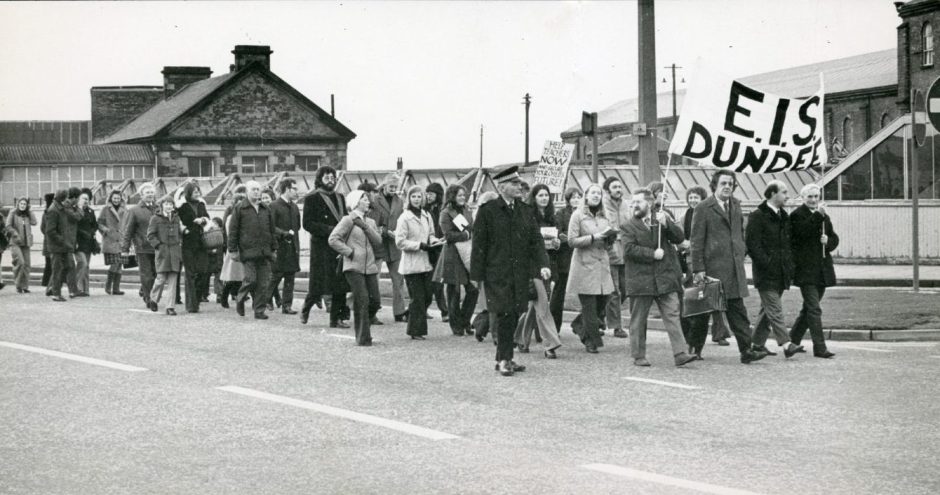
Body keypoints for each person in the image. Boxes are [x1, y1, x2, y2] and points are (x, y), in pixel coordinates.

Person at [471, 166, 550, 376]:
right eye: (514, 184)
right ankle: (505, 359)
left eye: (520, 184)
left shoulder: (525, 211)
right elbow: (479, 244)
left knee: (515, 313)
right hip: (497, 273)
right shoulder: (488, 211)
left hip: (520, 272)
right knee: (505, 314)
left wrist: (543, 264)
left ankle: (505, 357)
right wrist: (476, 276)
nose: (519, 187)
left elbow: (536, 241)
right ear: (501, 186)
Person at [688, 170, 768, 364]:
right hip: (712, 271)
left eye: (730, 184)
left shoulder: (736, 205)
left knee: (738, 312)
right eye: (723, 183)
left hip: (733, 270)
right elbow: (696, 241)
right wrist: (698, 269)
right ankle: (693, 349)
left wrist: (741, 251)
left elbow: (739, 232)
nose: (727, 187)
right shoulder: (703, 208)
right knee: (702, 313)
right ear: (714, 185)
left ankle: (746, 350)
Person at [622, 188, 698, 367]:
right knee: (639, 318)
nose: (634, 206)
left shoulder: (662, 218)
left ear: (648, 203)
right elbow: (628, 249)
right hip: (641, 280)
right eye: (632, 203)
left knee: (672, 314)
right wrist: (651, 253)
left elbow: (679, 238)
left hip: (664, 277)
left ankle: (680, 353)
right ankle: (638, 355)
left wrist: (668, 224)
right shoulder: (628, 226)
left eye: (638, 202)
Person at [747, 180, 803, 358]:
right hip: (766, 273)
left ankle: (756, 344)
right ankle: (786, 344)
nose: (788, 196)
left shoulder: (783, 216)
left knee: (768, 310)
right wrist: (768, 263)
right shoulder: (758, 215)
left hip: (781, 272)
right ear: (772, 194)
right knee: (775, 308)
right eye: (784, 192)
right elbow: (753, 245)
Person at [788, 184, 838, 359]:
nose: (814, 200)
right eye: (810, 197)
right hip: (806, 271)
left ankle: (791, 342)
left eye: (816, 196)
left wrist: (828, 241)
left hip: (822, 270)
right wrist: (818, 215)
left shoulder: (823, 216)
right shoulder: (796, 216)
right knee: (814, 309)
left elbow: (834, 238)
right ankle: (820, 347)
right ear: (803, 198)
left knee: (808, 309)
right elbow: (801, 233)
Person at [514, 184, 563, 358]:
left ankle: (520, 338)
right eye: (540, 195)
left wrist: (556, 243)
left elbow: (555, 241)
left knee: (534, 305)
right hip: (532, 264)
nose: (544, 198)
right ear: (533, 198)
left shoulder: (552, 217)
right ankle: (550, 344)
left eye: (546, 195)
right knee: (542, 304)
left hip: (548, 263)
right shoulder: (527, 216)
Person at [567, 183, 617, 354]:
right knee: (589, 305)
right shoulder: (578, 215)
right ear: (586, 196)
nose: (596, 196)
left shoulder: (606, 216)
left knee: (603, 301)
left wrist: (610, 238)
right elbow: (572, 241)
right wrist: (593, 237)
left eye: (599, 193)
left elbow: (609, 240)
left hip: (602, 264)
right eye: (593, 193)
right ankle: (592, 341)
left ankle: (579, 325)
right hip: (584, 264)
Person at [329, 189, 384, 346]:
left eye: (367, 199)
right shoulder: (348, 220)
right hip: (353, 266)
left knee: (375, 300)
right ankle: (363, 337)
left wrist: (365, 226)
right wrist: (349, 252)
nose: (368, 202)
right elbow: (333, 239)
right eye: (364, 199)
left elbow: (378, 241)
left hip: (370, 266)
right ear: (356, 202)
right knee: (363, 299)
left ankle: (360, 316)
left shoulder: (371, 222)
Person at [680, 186, 730, 346]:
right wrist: (689, 245)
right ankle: (691, 336)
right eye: (691, 197)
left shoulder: (708, 214)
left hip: (709, 261)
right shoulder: (684, 217)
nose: (693, 201)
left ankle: (720, 332)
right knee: (694, 299)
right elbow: (680, 239)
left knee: (715, 296)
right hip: (690, 262)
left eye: (696, 198)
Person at [301, 166, 350, 327]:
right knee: (318, 284)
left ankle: (336, 319)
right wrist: (330, 230)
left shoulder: (340, 197)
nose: (331, 181)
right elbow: (307, 224)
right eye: (327, 178)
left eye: (333, 178)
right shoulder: (312, 197)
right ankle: (306, 308)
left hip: (338, 245)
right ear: (320, 179)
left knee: (339, 283)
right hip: (321, 246)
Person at [432, 184, 479, 337]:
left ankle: (464, 320)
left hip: (466, 251)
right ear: (452, 196)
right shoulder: (445, 213)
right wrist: (465, 235)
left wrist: (468, 234)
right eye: (459, 195)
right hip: (452, 254)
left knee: (472, 289)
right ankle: (456, 325)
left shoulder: (467, 210)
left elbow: (472, 228)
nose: (462, 198)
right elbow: (448, 235)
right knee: (454, 291)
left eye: (463, 195)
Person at [228, 180, 278, 320]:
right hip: (248, 251)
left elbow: (272, 230)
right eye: (253, 189)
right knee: (251, 279)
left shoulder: (265, 208)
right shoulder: (239, 208)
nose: (256, 192)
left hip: (264, 251)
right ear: (247, 192)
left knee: (263, 283)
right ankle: (240, 298)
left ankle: (259, 310)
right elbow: (233, 230)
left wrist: (274, 248)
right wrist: (232, 250)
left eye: (258, 189)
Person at [396, 185, 441, 340]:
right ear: (409, 198)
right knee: (418, 297)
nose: (416, 199)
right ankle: (416, 330)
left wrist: (435, 242)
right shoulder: (404, 217)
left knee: (428, 296)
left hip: (425, 261)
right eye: (413, 196)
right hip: (412, 263)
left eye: (419, 196)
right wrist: (418, 245)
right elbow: (400, 242)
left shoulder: (426, 215)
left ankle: (411, 315)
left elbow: (431, 234)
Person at [369, 172, 409, 322]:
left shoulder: (400, 201)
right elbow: (372, 223)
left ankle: (399, 312)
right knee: (374, 279)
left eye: (395, 186)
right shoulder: (375, 200)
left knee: (398, 280)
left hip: (394, 245)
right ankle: (371, 312)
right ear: (384, 186)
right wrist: (385, 231)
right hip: (379, 243)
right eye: (391, 186)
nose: (393, 189)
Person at [601, 176, 630, 338]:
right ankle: (617, 326)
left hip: (626, 252)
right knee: (614, 291)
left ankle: (601, 316)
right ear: (607, 190)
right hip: (610, 252)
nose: (618, 190)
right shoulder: (603, 205)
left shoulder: (626, 205)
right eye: (614, 187)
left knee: (626, 289)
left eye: (619, 187)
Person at [122, 183, 159, 308]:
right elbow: (128, 231)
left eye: (151, 192)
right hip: (142, 247)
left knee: (156, 274)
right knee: (146, 274)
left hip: (157, 247)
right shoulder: (134, 211)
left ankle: (144, 290)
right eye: (147, 192)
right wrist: (125, 249)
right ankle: (149, 299)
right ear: (141, 195)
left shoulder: (158, 209)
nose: (150, 194)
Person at [176, 183, 211, 313]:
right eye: (194, 191)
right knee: (190, 273)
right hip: (187, 242)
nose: (197, 193)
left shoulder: (201, 204)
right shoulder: (181, 206)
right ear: (188, 192)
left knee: (203, 271)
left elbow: (208, 218)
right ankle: (191, 305)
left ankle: (196, 299)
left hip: (201, 242)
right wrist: (184, 229)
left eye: (198, 191)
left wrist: (202, 220)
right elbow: (176, 221)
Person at [549, 187, 581, 331]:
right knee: (559, 294)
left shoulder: (584, 214)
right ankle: (555, 327)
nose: (576, 199)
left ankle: (585, 324)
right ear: (568, 200)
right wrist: (574, 238)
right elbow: (559, 233)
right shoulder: (561, 214)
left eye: (578, 197)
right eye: (573, 197)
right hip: (565, 259)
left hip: (582, 258)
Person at [269, 178, 302, 315]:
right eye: (294, 189)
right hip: (280, 246)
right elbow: (270, 227)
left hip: (292, 247)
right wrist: (283, 234)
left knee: (290, 277)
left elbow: (298, 226)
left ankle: (286, 305)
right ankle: (263, 301)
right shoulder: (274, 206)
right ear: (287, 189)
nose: (297, 192)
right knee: (276, 276)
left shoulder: (294, 207)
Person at [44, 188, 82, 301]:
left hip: (63, 245)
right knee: (57, 270)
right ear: (63, 198)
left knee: (69, 266)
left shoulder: (61, 208)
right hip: (57, 246)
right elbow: (50, 231)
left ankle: (66, 290)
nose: (68, 200)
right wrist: (62, 240)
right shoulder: (53, 210)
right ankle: (56, 293)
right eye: (66, 198)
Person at [146, 198, 182, 315]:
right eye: (166, 204)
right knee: (160, 279)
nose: (169, 206)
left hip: (175, 253)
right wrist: (158, 246)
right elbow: (150, 235)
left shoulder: (176, 218)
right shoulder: (155, 219)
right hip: (163, 253)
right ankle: (153, 299)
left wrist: (179, 243)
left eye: (171, 204)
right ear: (162, 206)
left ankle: (170, 307)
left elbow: (179, 233)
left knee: (173, 281)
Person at [219, 185, 248, 308]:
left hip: (243, 249)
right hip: (235, 249)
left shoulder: (244, 216)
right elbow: (231, 233)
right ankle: (224, 297)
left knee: (241, 276)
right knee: (232, 277)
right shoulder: (231, 217)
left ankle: (235, 297)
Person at [424, 182, 448, 322]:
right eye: (427, 194)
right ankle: (443, 311)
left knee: (436, 281)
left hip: (439, 247)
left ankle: (444, 311)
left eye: (431, 194)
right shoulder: (424, 209)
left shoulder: (443, 209)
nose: (428, 196)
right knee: (431, 281)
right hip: (428, 247)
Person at [5, 197, 37, 293]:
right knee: (20, 262)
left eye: (25, 204)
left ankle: (25, 286)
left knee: (27, 265)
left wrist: (30, 211)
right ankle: (18, 285)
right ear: (18, 204)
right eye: (21, 204)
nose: (23, 206)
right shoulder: (13, 212)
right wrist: (15, 234)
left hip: (26, 242)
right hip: (15, 242)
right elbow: (8, 226)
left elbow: (34, 222)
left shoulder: (27, 214)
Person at [98, 190, 127, 295]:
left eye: (118, 198)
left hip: (122, 240)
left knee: (119, 265)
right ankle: (108, 285)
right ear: (111, 198)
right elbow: (100, 223)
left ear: (121, 199)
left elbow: (127, 223)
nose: (116, 200)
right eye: (114, 198)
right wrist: (105, 231)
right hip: (110, 240)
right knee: (115, 264)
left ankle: (116, 288)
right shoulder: (105, 209)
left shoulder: (125, 209)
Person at [74, 188, 97, 296]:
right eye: (84, 198)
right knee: (82, 263)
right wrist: (83, 233)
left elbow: (95, 225)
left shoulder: (91, 211)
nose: (86, 201)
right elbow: (73, 226)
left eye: (87, 199)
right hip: (77, 242)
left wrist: (91, 232)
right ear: (79, 199)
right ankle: (77, 288)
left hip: (88, 243)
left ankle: (85, 289)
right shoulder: (75, 211)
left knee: (86, 266)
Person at [40, 192, 56, 292]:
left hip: (47, 242)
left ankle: (46, 283)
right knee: (52, 264)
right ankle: (49, 285)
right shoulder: (52, 212)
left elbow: (42, 228)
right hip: (52, 242)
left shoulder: (45, 213)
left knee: (48, 264)